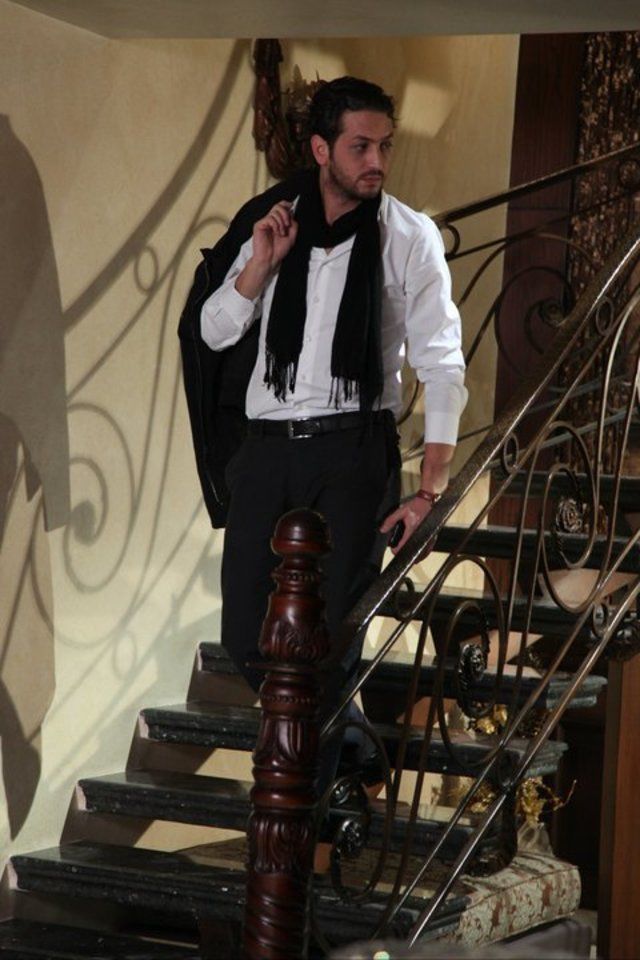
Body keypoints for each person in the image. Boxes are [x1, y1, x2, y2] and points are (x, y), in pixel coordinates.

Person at [181, 76, 467, 781]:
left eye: (385, 147)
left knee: (330, 636)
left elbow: (442, 365)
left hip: (354, 451)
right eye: (360, 146)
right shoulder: (274, 224)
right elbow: (213, 332)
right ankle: (350, 737)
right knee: (245, 636)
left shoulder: (409, 237)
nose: (377, 162)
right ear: (320, 150)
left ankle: (309, 795)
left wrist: (429, 492)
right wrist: (258, 267)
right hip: (268, 451)